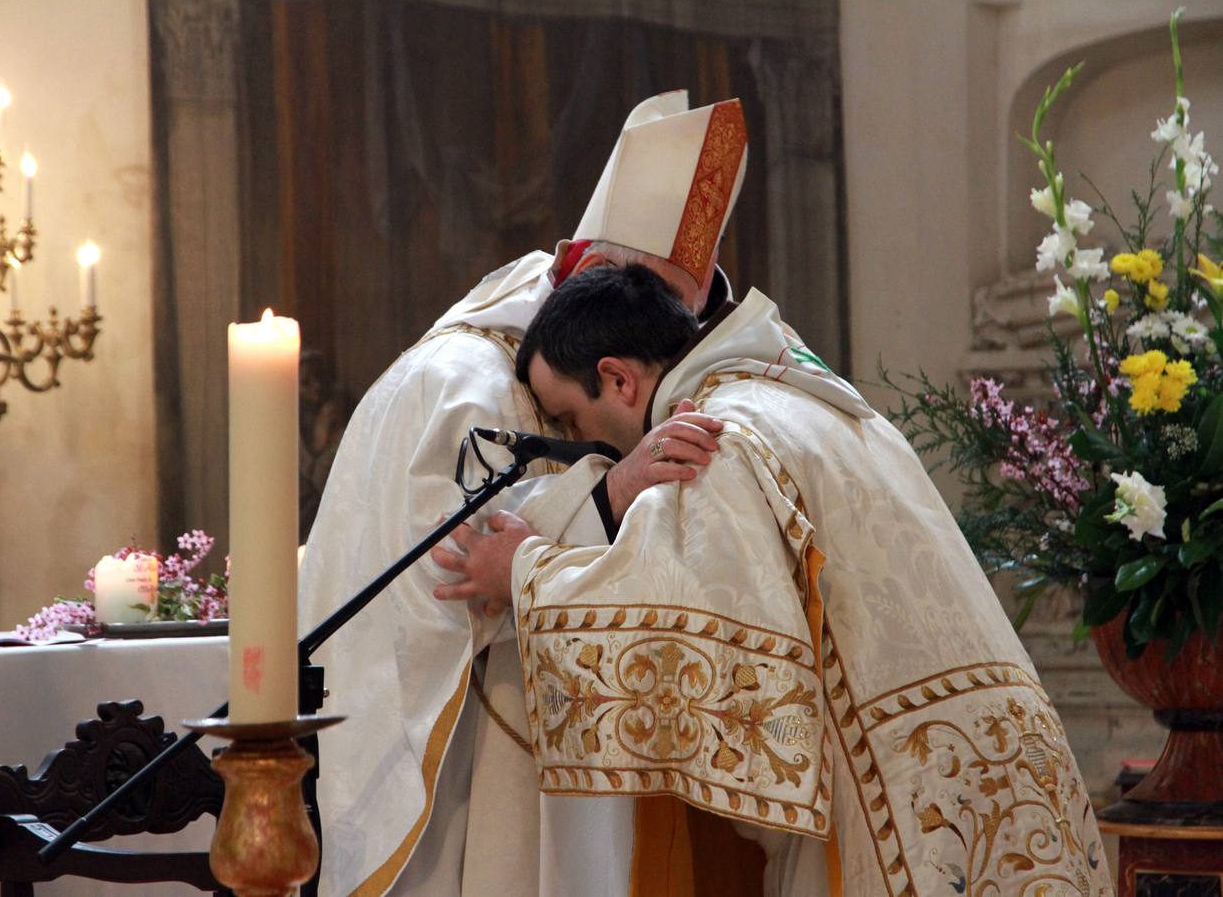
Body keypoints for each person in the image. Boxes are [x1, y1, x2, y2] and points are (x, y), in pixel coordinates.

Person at [436, 264, 1114, 896]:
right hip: (1010, 762)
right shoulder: (808, 401)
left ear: (618, 380)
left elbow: (689, 634)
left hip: (904, 798)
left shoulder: (715, 437)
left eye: (573, 421)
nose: (587, 446)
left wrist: (522, 573)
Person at [298, 92, 747, 895]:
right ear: (597, 280)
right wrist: (610, 497)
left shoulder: (538, 357)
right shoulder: (466, 378)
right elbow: (453, 560)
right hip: (466, 753)